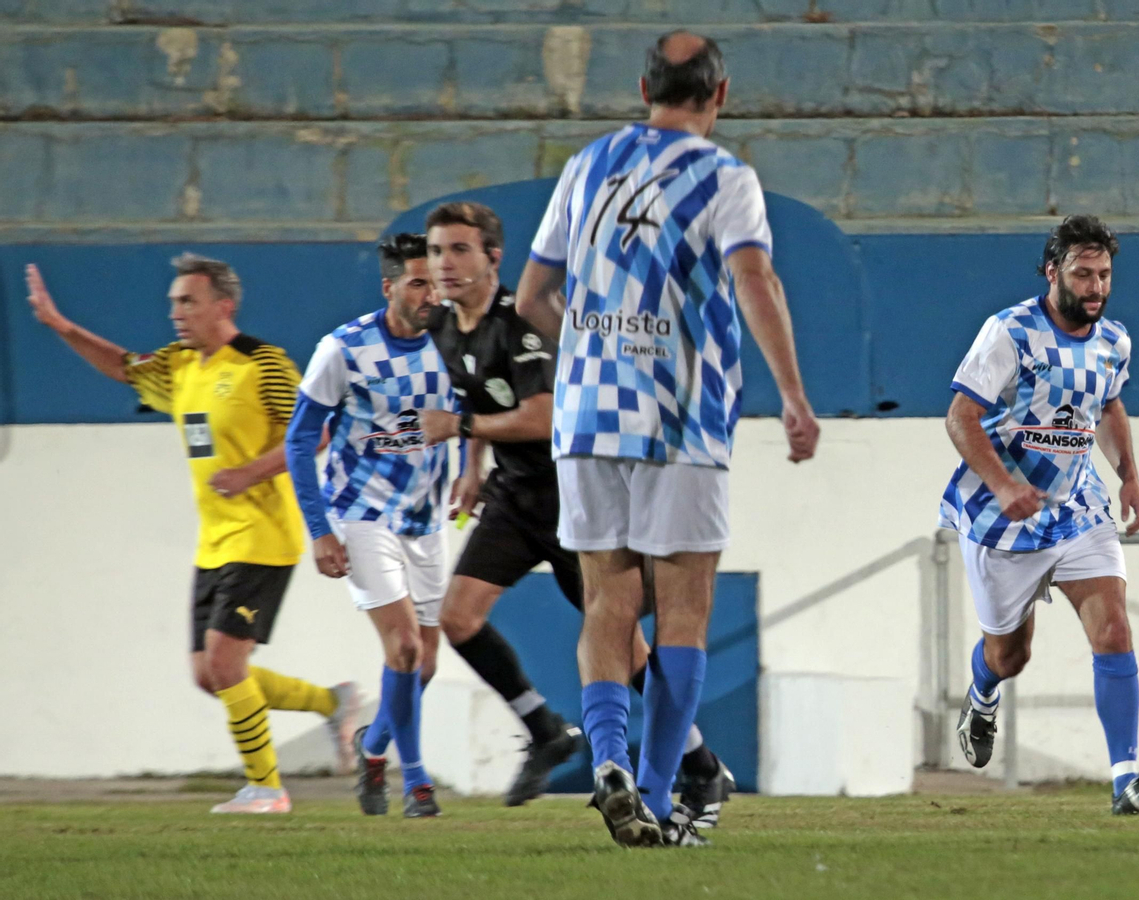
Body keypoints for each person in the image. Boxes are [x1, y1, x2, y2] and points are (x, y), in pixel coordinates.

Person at [517, 30, 819, 847]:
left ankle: (608, 758)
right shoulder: (725, 177)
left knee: (608, 598)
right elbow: (754, 277)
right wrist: (792, 394)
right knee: (683, 611)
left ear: (641, 84)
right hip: (679, 419)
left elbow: (533, 295)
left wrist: (587, 348)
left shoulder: (586, 166)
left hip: (586, 414)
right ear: (720, 96)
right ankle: (651, 792)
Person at [418, 202, 736, 825]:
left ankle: (700, 767)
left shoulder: (521, 326)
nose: (445, 264)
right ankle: (545, 729)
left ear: (493, 257)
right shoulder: (447, 329)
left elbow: (538, 414)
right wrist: (470, 464)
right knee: (455, 617)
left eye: (459, 250)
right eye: (436, 252)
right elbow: (479, 397)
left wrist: (460, 426)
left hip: (572, 493)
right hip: (513, 497)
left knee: (626, 648)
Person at [25, 256, 358, 814]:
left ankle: (267, 789)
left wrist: (250, 472)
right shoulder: (179, 365)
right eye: (174, 302)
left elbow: (317, 432)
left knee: (227, 666)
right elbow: (125, 367)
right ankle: (333, 702)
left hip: (262, 536)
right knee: (210, 674)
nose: (176, 312)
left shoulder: (263, 364)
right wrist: (61, 325)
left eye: (188, 301)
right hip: (215, 542)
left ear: (223, 306)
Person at [937, 215, 1139, 815]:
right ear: (1052, 272)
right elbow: (960, 417)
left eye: (1104, 275)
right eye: (1083, 274)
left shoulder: (1114, 340)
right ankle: (982, 696)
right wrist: (1004, 482)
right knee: (1010, 656)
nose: (1095, 287)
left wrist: (1131, 478)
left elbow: (1109, 406)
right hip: (1000, 517)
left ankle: (1125, 782)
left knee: (1113, 629)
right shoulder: (1008, 332)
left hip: (1076, 507)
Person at [284, 233, 451, 818]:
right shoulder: (344, 349)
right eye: (417, 282)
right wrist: (319, 529)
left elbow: (473, 414)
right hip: (360, 513)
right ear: (389, 288)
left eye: (435, 281)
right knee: (403, 646)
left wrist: (474, 470)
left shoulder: (455, 341)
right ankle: (419, 782)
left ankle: (373, 745)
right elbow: (300, 440)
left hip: (427, 518)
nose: (431, 293)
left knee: (423, 663)